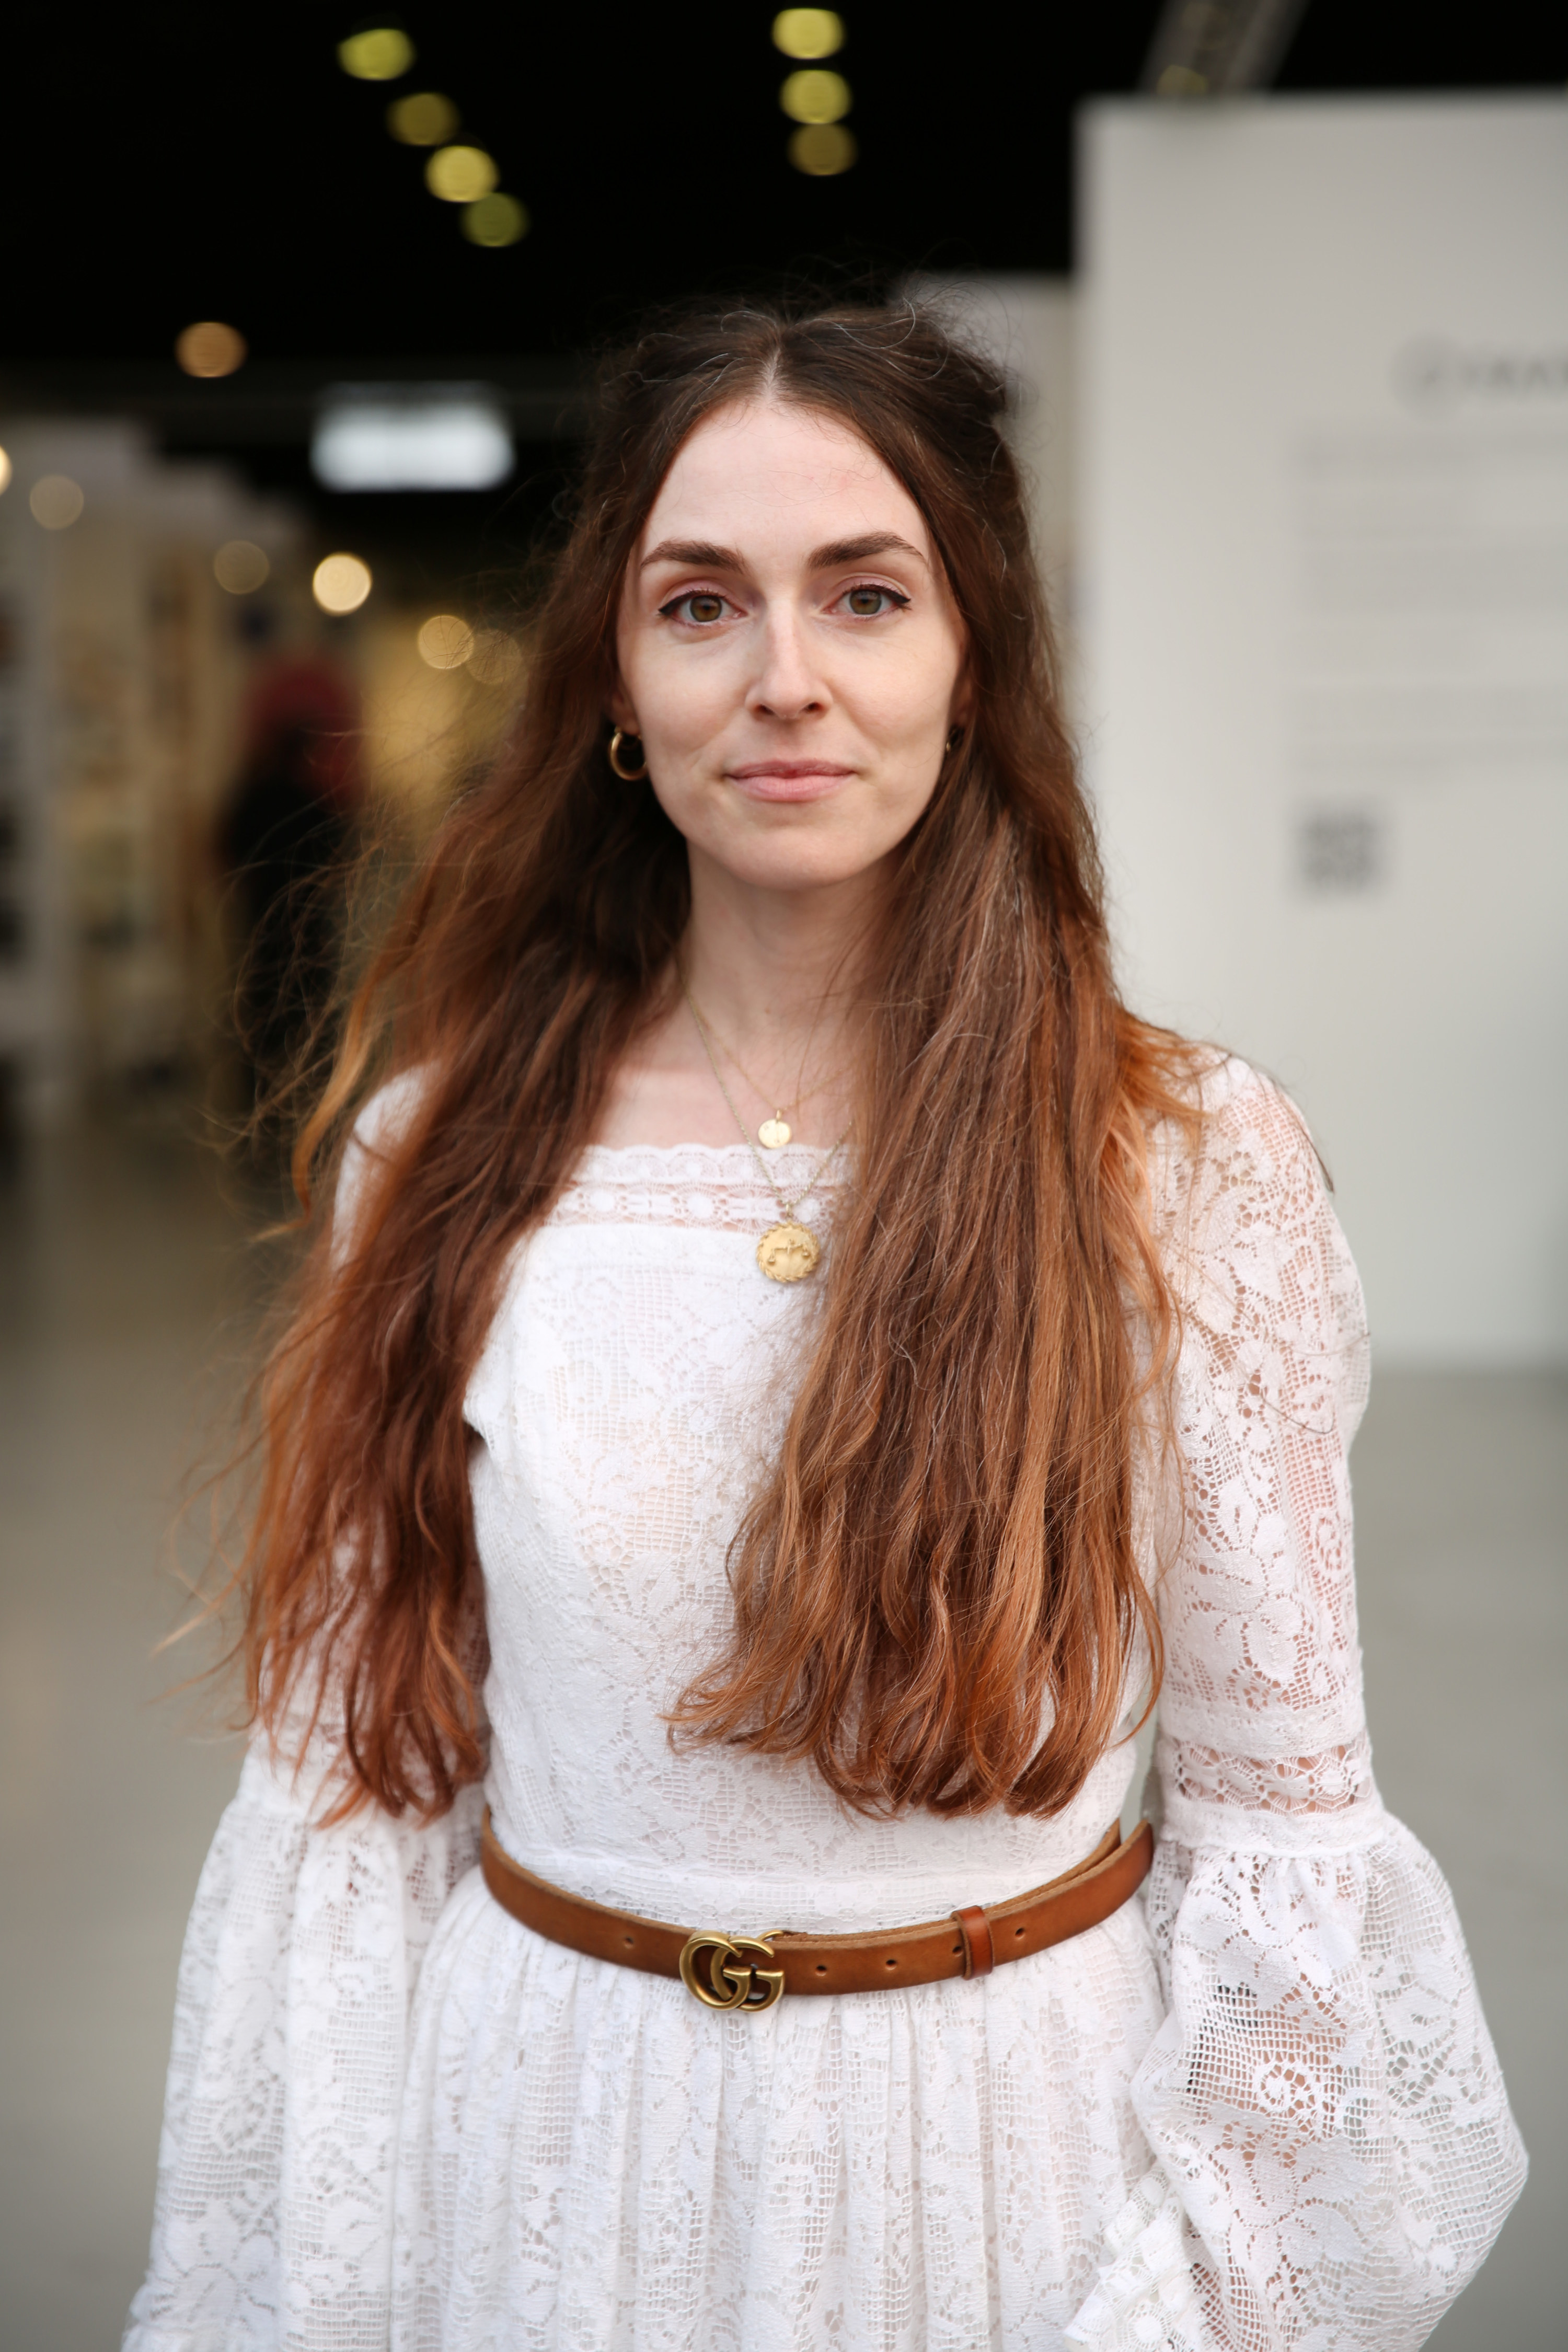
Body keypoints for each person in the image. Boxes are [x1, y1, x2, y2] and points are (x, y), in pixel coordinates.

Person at [125, 302, 1524, 2352]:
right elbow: (354, 1807)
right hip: (546, 2146)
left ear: (974, 660)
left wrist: (1164, 2314)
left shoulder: (1179, 1165)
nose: (785, 679)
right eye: (702, 604)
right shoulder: (437, 1157)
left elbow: (1279, 1851)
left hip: (997, 2166)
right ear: (620, 669)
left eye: (865, 596)